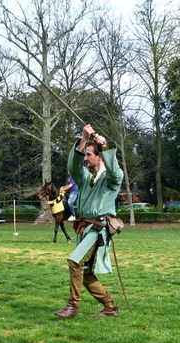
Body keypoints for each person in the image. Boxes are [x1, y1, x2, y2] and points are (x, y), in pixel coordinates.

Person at [54, 124, 124, 319]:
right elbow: (72, 166)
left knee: (74, 261)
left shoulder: (111, 180)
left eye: (89, 155)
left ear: (100, 156)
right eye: (85, 155)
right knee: (83, 271)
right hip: (83, 228)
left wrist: (104, 146)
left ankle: (72, 306)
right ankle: (110, 307)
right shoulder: (85, 178)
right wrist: (84, 140)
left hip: (98, 230)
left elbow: (116, 172)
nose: (85, 158)